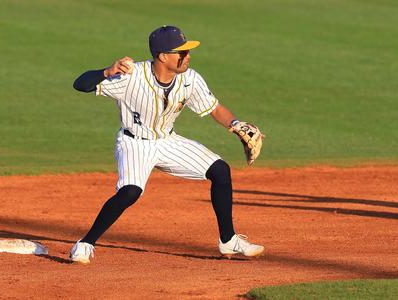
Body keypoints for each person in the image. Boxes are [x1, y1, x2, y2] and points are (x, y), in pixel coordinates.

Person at [71, 25, 264, 263]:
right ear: (163, 56)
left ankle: (228, 240)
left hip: (167, 141)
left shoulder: (189, 78)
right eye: (181, 52)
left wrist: (236, 125)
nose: (187, 56)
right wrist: (107, 71)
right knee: (130, 192)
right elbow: (80, 84)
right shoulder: (131, 76)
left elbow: (213, 108)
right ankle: (85, 243)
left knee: (220, 170)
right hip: (135, 143)